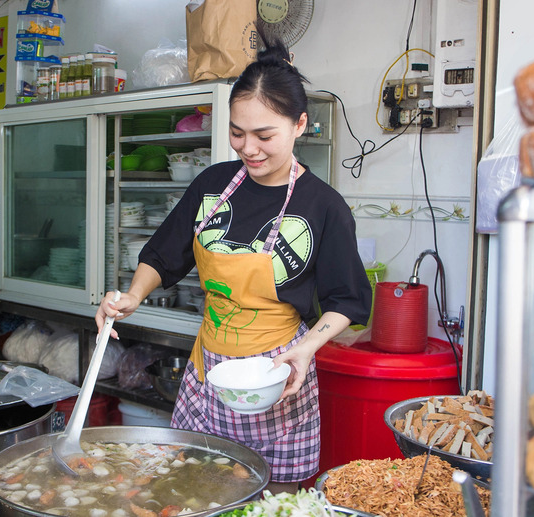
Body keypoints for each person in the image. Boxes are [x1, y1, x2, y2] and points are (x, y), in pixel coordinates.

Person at [96, 31, 372, 490]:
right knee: (194, 486)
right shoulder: (212, 185)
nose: (249, 148)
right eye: (237, 133)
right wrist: (131, 296)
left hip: (277, 373)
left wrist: (306, 350)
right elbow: (164, 254)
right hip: (208, 369)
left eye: (265, 135)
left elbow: (348, 299)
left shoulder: (323, 206)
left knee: (273, 497)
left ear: (299, 125)